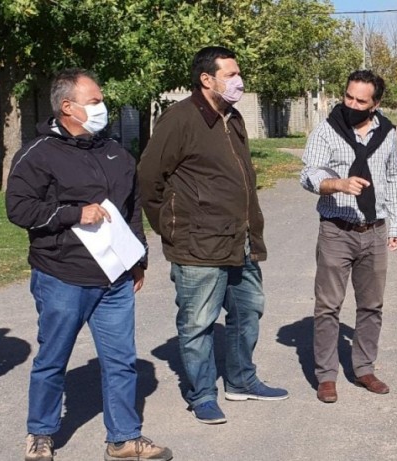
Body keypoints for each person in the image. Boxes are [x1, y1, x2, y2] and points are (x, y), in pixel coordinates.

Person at [5, 69, 172, 461]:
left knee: (121, 361)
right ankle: (41, 434)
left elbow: (131, 211)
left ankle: (124, 439)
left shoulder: (114, 152)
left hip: (115, 279)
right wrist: (73, 214)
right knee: (52, 359)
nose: (102, 107)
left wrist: (138, 260)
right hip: (62, 275)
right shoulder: (38, 153)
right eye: (95, 101)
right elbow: (18, 208)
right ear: (68, 107)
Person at [138, 46, 288, 425]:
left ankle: (241, 381)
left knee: (247, 311)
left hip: (241, 240)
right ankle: (202, 394)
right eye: (231, 74)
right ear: (207, 79)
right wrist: (170, 228)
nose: (238, 81)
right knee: (198, 323)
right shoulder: (180, 119)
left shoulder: (233, 118)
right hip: (197, 246)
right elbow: (149, 180)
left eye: (239, 73)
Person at [300, 69, 397, 404]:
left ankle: (363, 368)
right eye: (348, 96)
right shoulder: (328, 130)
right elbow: (309, 174)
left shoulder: (387, 133)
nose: (352, 104)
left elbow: (395, 178)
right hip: (337, 229)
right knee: (328, 306)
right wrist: (338, 184)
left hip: (374, 230)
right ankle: (326, 375)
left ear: (375, 104)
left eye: (361, 100)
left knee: (371, 305)